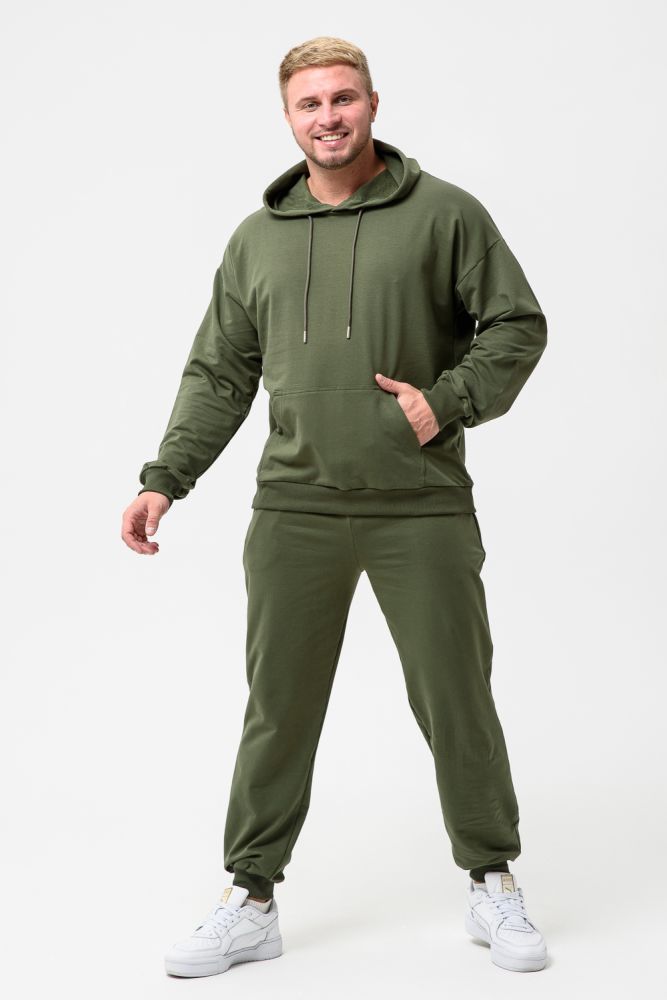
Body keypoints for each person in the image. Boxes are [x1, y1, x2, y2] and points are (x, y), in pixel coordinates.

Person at [121, 35, 549, 977]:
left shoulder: (444, 214)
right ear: (288, 117)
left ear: (372, 105)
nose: (328, 117)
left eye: (343, 98)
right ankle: (251, 898)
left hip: (420, 506)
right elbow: (219, 374)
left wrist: (447, 400)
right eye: (309, 103)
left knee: (456, 699)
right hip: (294, 506)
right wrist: (164, 477)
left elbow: (517, 324)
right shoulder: (256, 238)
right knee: (278, 708)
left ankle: (491, 880)